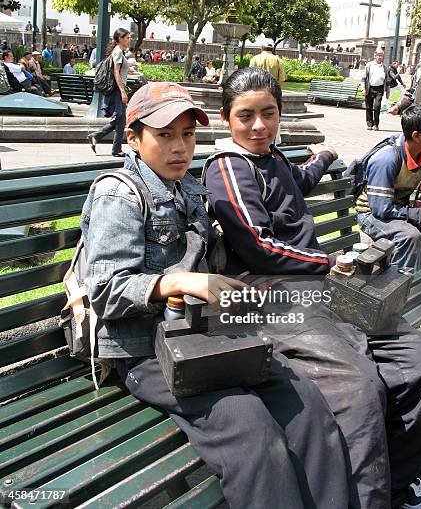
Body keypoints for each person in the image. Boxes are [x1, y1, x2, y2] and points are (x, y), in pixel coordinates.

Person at [81, 80, 355, 509]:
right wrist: (176, 282)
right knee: (252, 428)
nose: (179, 148)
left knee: (306, 405)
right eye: (165, 135)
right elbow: (105, 289)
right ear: (133, 139)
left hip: (203, 336)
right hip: (143, 353)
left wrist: (240, 282)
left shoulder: (189, 190)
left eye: (188, 135)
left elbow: (213, 259)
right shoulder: (119, 193)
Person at [204, 68, 421, 509]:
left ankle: (400, 481)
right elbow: (258, 247)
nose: (259, 125)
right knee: (360, 391)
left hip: (325, 289)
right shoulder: (228, 168)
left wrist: (324, 155)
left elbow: (296, 182)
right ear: (226, 118)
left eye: (269, 113)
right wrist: (330, 261)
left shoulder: (271, 157)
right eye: (245, 116)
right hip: (278, 297)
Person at [356, 104, 421, 276]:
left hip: (400, 210)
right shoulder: (387, 159)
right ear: (417, 136)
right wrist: (420, 215)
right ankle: (403, 292)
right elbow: (381, 209)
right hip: (371, 214)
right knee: (410, 237)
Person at [87, 28, 131, 158]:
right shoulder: (118, 52)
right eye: (127, 38)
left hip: (118, 88)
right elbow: (116, 72)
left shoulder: (118, 52)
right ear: (120, 39)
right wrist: (123, 91)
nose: (129, 40)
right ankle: (101, 139)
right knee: (120, 119)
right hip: (117, 89)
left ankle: (109, 144)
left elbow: (120, 70)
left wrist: (130, 71)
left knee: (120, 120)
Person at [362, 50, 390, 131]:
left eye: (381, 55)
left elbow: (387, 80)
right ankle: (369, 123)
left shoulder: (384, 67)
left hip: (379, 89)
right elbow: (364, 78)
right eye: (378, 55)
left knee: (377, 106)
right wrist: (363, 89)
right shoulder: (369, 65)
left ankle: (376, 124)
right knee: (369, 107)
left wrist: (388, 92)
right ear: (375, 56)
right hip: (370, 88)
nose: (380, 57)